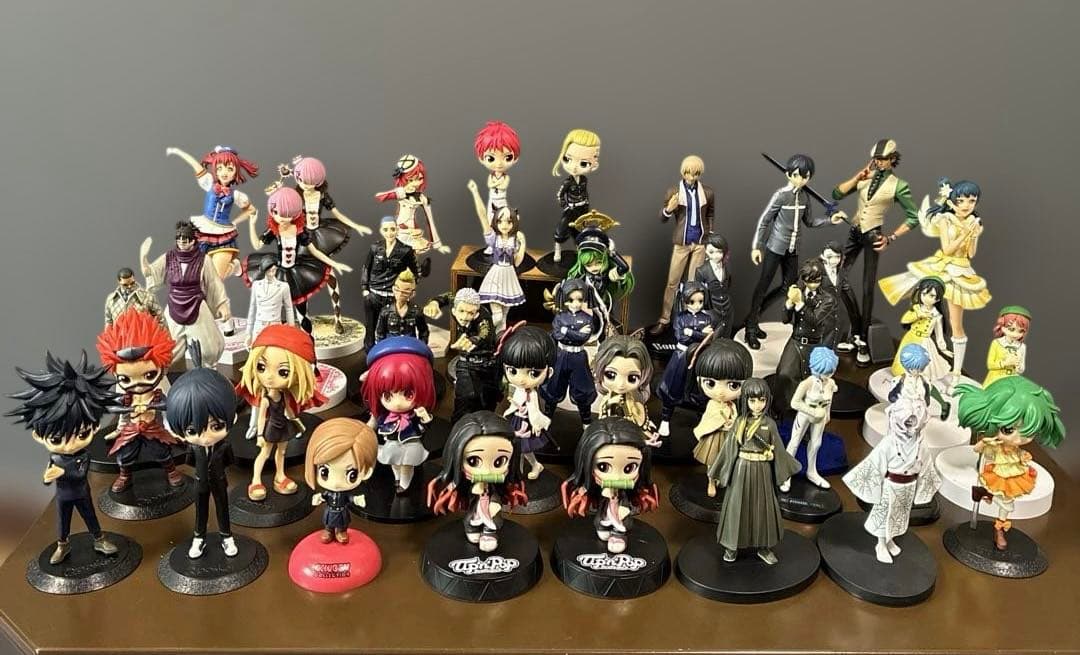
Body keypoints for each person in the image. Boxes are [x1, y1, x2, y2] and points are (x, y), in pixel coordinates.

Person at [7, 353, 120, 564]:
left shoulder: (83, 456)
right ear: (38, 436)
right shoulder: (55, 456)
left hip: (82, 493)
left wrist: (60, 472)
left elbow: (80, 474)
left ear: (95, 427)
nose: (69, 445)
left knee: (90, 517)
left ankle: (99, 539)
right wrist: (48, 476)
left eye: (81, 434)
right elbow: (47, 476)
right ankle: (62, 545)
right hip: (62, 496)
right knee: (62, 522)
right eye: (58, 439)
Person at [879, 178, 990, 377]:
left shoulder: (973, 222)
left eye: (972, 201)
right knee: (922, 304)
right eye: (961, 200)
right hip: (943, 265)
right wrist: (966, 233)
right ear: (952, 201)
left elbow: (971, 254)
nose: (966, 205)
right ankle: (915, 361)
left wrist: (973, 236)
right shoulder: (946, 219)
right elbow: (947, 249)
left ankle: (956, 371)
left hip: (961, 270)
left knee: (956, 324)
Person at [830, 139, 920, 365]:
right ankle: (855, 328)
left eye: (883, 159)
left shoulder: (899, 185)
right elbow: (836, 194)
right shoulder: (866, 177)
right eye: (876, 159)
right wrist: (857, 177)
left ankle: (862, 339)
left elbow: (914, 217)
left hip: (873, 235)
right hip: (855, 231)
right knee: (838, 276)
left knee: (867, 287)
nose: (879, 163)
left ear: (892, 159)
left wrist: (891, 237)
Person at [743, 154, 844, 350]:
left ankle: (755, 319)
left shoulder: (805, 197)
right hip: (776, 247)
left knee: (789, 288)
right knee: (763, 286)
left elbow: (810, 222)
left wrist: (830, 220)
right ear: (789, 174)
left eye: (805, 176)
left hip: (793, 248)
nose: (801, 180)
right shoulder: (781, 195)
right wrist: (757, 246)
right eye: (796, 175)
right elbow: (765, 221)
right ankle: (751, 327)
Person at [955, 376, 1065, 551]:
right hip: (994, 470)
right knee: (996, 493)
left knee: (1007, 501)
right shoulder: (994, 441)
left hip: (1012, 472)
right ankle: (987, 497)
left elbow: (1017, 451)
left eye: (1029, 432)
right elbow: (977, 450)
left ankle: (999, 527)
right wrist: (985, 443)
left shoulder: (1015, 447)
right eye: (1009, 430)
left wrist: (1022, 456)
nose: (1018, 439)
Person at [707, 378, 801, 564]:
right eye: (752, 400)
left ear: (767, 400)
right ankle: (731, 545)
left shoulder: (770, 424)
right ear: (745, 401)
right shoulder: (740, 422)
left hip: (763, 471)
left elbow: (779, 449)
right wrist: (717, 473)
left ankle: (763, 546)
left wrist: (783, 472)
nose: (757, 405)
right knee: (736, 507)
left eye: (761, 400)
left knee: (764, 509)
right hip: (741, 470)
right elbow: (729, 448)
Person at [842, 393, 940, 563]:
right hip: (891, 485)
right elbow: (875, 463)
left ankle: (890, 540)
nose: (910, 424)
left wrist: (924, 485)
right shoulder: (889, 443)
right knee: (884, 515)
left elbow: (926, 466)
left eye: (914, 420)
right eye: (907, 420)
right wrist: (874, 486)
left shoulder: (921, 445)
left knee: (900, 516)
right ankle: (880, 543)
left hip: (908, 487)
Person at [95, 309, 183, 493]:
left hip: (152, 426)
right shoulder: (127, 396)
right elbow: (113, 407)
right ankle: (124, 476)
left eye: (149, 375)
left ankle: (171, 471)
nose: (138, 384)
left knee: (162, 451)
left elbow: (168, 405)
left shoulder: (156, 393)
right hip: (132, 428)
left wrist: (153, 404)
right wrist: (125, 407)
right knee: (125, 453)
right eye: (126, 379)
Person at [236, 325, 325, 501]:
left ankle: (280, 476)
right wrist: (260, 435)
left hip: (283, 426)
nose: (269, 377)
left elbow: (290, 411)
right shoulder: (266, 400)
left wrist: (296, 422)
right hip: (270, 428)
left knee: (282, 452)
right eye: (261, 367)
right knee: (264, 453)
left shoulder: (285, 396)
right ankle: (255, 480)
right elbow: (261, 418)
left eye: (283, 372)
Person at [427, 411, 528, 552]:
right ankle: (471, 528)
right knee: (472, 516)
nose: (486, 471)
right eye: (473, 461)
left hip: (490, 500)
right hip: (476, 501)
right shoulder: (467, 482)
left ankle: (489, 533)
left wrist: (495, 502)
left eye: (500, 461)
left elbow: (498, 495)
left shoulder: (496, 484)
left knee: (493, 517)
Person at [167, 361, 238, 559]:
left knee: (223, 508)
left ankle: (227, 536)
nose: (205, 437)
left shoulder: (223, 446)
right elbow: (190, 462)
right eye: (192, 430)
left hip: (220, 482)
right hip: (199, 484)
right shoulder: (193, 448)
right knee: (200, 510)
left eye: (216, 426)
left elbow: (229, 462)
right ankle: (199, 537)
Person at [562, 418, 660, 554]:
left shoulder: (627, 488)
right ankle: (603, 526)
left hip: (621, 502)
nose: (616, 477)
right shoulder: (595, 484)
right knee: (602, 517)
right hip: (605, 504)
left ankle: (619, 534)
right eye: (603, 467)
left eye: (630, 467)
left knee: (622, 517)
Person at [140, 222, 229, 367]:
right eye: (179, 238)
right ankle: (163, 375)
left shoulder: (203, 259)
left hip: (197, 305)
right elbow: (151, 272)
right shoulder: (169, 257)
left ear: (193, 240)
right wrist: (143, 259)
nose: (182, 241)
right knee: (167, 349)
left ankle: (209, 372)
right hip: (174, 306)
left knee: (209, 349)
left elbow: (213, 282)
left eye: (185, 239)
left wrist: (222, 304)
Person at [361, 337, 437, 493]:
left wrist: (425, 416)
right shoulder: (384, 415)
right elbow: (373, 423)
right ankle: (397, 478)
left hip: (410, 444)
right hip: (392, 443)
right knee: (394, 463)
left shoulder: (414, 414)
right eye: (387, 396)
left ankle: (405, 483)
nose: (397, 403)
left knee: (407, 466)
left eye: (408, 394)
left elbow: (427, 425)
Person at [652, 155, 715, 334]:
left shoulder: (707, 192)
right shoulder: (674, 192)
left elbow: (710, 213)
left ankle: (690, 321)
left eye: (696, 174)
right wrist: (668, 209)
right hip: (682, 243)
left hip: (700, 243)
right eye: (688, 173)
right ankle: (664, 319)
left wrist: (709, 233)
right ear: (683, 172)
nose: (691, 177)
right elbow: (662, 218)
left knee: (694, 284)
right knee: (673, 282)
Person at [424, 288, 501, 425]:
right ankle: (458, 428)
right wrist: (435, 302)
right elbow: (447, 296)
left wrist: (473, 340)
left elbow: (485, 333)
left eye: (471, 313)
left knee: (486, 402)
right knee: (464, 400)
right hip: (466, 362)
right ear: (454, 310)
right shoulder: (457, 300)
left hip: (486, 364)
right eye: (461, 311)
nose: (465, 316)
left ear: (476, 313)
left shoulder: (483, 318)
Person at [305, 418, 378, 544]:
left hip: (342, 511)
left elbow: (349, 498)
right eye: (324, 472)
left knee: (342, 524)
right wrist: (319, 498)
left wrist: (356, 500)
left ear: (366, 472)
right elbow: (324, 496)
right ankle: (328, 531)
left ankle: (340, 532)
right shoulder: (329, 493)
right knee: (328, 523)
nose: (336, 483)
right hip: (330, 511)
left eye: (352, 474)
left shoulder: (345, 494)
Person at [467, 178, 526, 333]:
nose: (504, 225)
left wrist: (523, 244)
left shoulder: (514, 240)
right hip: (496, 275)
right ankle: (480, 332)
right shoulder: (494, 238)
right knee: (498, 316)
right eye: (500, 221)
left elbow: (517, 262)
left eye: (508, 222)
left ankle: (499, 340)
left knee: (504, 316)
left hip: (509, 275)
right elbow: (482, 216)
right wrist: (475, 192)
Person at [498, 325, 556, 479]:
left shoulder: (532, 394)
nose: (521, 379)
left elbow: (534, 411)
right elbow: (514, 403)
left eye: (533, 373)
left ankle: (534, 466)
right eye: (513, 371)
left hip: (527, 423)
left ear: (549, 372)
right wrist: (511, 410)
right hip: (516, 420)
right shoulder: (518, 389)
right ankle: (517, 469)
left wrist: (536, 424)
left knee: (525, 448)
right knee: (514, 446)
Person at [780, 347, 839, 491]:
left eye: (830, 372)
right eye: (825, 372)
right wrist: (812, 411)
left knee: (816, 443)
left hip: (820, 416)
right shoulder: (807, 383)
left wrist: (827, 414)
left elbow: (829, 400)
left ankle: (812, 471)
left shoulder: (830, 383)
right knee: (794, 442)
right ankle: (786, 473)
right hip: (805, 414)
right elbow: (795, 403)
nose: (827, 376)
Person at [363, 217, 420, 350]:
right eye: (386, 229)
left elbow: (416, 272)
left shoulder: (405, 250)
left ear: (397, 230)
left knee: (391, 328)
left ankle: (390, 353)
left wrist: (409, 291)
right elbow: (366, 267)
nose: (389, 233)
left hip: (393, 297)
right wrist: (365, 288)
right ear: (381, 231)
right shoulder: (375, 248)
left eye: (392, 229)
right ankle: (369, 353)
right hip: (374, 295)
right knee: (370, 327)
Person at [551, 129, 601, 262]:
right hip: (571, 209)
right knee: (561, 230)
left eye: (583, 163)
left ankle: (580, 250)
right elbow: (560, 195)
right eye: (567, 159)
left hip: (582, 209)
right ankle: (557, 249)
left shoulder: (584, 180)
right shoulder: (567, 182)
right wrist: (566, 206)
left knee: (580, 231)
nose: (574, 167)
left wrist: (586, 205)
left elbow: (585, 193)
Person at [245, 259, 295, 346]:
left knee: (275, 351)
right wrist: (248, 333)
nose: (272, 273)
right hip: (259, 325)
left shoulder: (283, 286)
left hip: (275, 324)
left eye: (274, 270)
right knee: (257, 350)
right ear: (264, 270)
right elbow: (252, 308)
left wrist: (291, 330)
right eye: (269, 271)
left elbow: (289, 308)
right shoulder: (256, 285)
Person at [693, 233, 734, 338]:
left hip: (727, 309)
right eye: (711, 252)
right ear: (706, 251)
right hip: (711, 311)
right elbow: (699, 293)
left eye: (719, 252)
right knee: (711, 339)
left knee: (726, 335)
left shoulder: (727, 266)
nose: (715, 255)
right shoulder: (701, 271)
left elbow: (728, 284)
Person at [374, 269, 429, 344]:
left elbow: (423, 332)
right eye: (397, 289)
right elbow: (380, 334)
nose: (400, 294)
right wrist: (382, 347)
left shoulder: (416, 311)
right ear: (393, 289)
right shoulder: (386, 311)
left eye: (405, 292)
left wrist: (421, 346)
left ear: (412, 294)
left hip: (410, 346)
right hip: (391, 346)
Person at [983, 306, 1030, 387]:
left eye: (1021, 331)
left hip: (1012, 381)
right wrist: (1005, 363)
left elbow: (1022, 368)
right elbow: (990, 365)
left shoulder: (1022, 347)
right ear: (1002, 327)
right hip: (996, 380)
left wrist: (1018, 366)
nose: (1015, 334)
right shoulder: (996, 343)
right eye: (1011, 329)